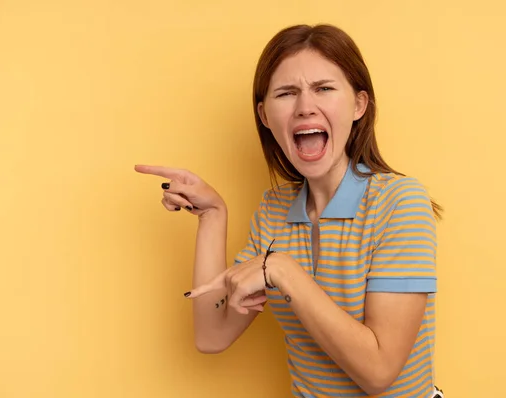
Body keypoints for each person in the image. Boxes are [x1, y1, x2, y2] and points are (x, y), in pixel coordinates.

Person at [135, 24, 444, 398]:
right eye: (287, 93)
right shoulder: (273, 210)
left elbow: (379, 372)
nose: (305, 107)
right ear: (265, 116)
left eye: (324, 88)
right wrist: (212, 215)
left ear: (359, 105)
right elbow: (211, 335)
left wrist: (284, 271)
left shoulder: (400, 202)